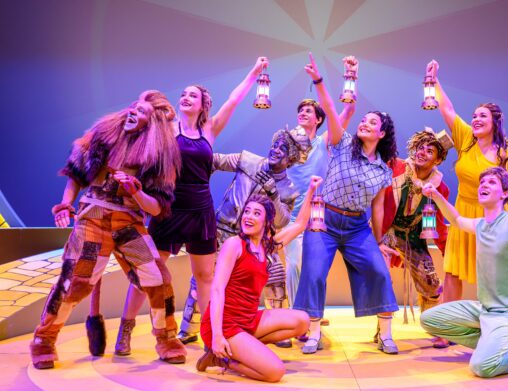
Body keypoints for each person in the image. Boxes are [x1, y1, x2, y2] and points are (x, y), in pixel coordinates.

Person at [91, 58, 270, 356]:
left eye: (193, 95)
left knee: (205, 277)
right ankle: (126, 329)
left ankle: (210, 338)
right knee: (147, 275)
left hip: (201, 210)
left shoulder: (209, 129)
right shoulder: (165, 129)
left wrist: (254, 72)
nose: (185, 97)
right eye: (183, 94)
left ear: (202, 105)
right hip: (169, 209)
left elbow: (234, 100)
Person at [31, 90, 186, 369]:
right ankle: (44, 339)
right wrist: (66, 204)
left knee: (157, 278)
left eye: (142, 112)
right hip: (93, 218)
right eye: (133, 106)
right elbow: (76, 174)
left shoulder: (160, 156)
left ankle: (167, 338)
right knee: (76, 280)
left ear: (151, 123)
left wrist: (135, 191)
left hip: (128, 224)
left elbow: (155, 208)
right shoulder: (102, 135)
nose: (133, 112)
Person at [293, 53, 399, 355]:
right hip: (323, 221)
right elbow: (331, 108)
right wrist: (321, 80)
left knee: (379, 272)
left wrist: (379, 241)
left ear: (381, 134)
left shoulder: (383, 170)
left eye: (372, 122)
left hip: (356, 227)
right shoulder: (342, 143)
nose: (364, 123)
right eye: (363, 120)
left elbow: (377, 208)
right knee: (313, 273)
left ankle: (384, 334)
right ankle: (313, 333)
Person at [420, 167, 508, 378]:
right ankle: (494, 341)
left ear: (505, 193)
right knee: (429, 319)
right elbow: (457, 220)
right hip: (486, 310)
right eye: (482, 182)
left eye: (491, 182)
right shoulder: (481, 225)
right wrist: (436, 196)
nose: (483, 185)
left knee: (482, 366)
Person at [176, 125, 312, 344]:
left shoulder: (288, 188)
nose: (276, 150)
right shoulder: (247, 160)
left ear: (291, 159)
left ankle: (274, 328)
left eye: (283, 149)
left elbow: (282, 221)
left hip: (258, 241)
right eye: (275, 145)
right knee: (203, 279)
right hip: (222, 231)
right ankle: (190, 329)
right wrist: (196, 184)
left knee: (275, 275)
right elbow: (213, 161)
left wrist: (272, 192)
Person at [196, 176, 323, 382]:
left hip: (249, 319)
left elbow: (300, 224)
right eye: (247, 211)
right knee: (275, 372)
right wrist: (217, 335)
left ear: (267, 221)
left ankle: (241, 350)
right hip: (225, 324)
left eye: (256, 213)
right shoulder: (234, 244)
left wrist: (311, 189)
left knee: (302, 321)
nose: (249, 216)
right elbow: (217, 290)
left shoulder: (267, 247)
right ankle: (222, 359)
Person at [426, 60, 508, 305]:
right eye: (474, 116)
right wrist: (434, 80)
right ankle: (448, 321)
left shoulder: (503, 154)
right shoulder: (466, 138)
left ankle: (499, 316)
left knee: (492, 271)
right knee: (452, 269)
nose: (476, 119)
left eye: (483, 116)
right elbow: (447, 109)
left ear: (495, 122)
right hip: (462, 211)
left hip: (491, 216)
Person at [280, 57, 357, 347]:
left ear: (319, 119)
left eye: (309, 110)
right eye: (300, 110)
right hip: (290, 214)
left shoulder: (325, 141)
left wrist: (351, 75)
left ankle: (309, 316)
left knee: (312, 269)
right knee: (293, 266)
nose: (302, 113)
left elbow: (348, 110)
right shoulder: (286, 142)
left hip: (317, 216)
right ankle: (296, 318)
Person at [376, 128, 451, 347]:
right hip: (387, 231)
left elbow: (438, 223)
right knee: (382, 277)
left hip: (414, 235)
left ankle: (437, 327)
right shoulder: (396, 168)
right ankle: (382, 332)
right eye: (420, 148)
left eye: (429, 151)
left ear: (438, 159)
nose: (422, 153)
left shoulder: (440, 188)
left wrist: (447, 252)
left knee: (431, 283)